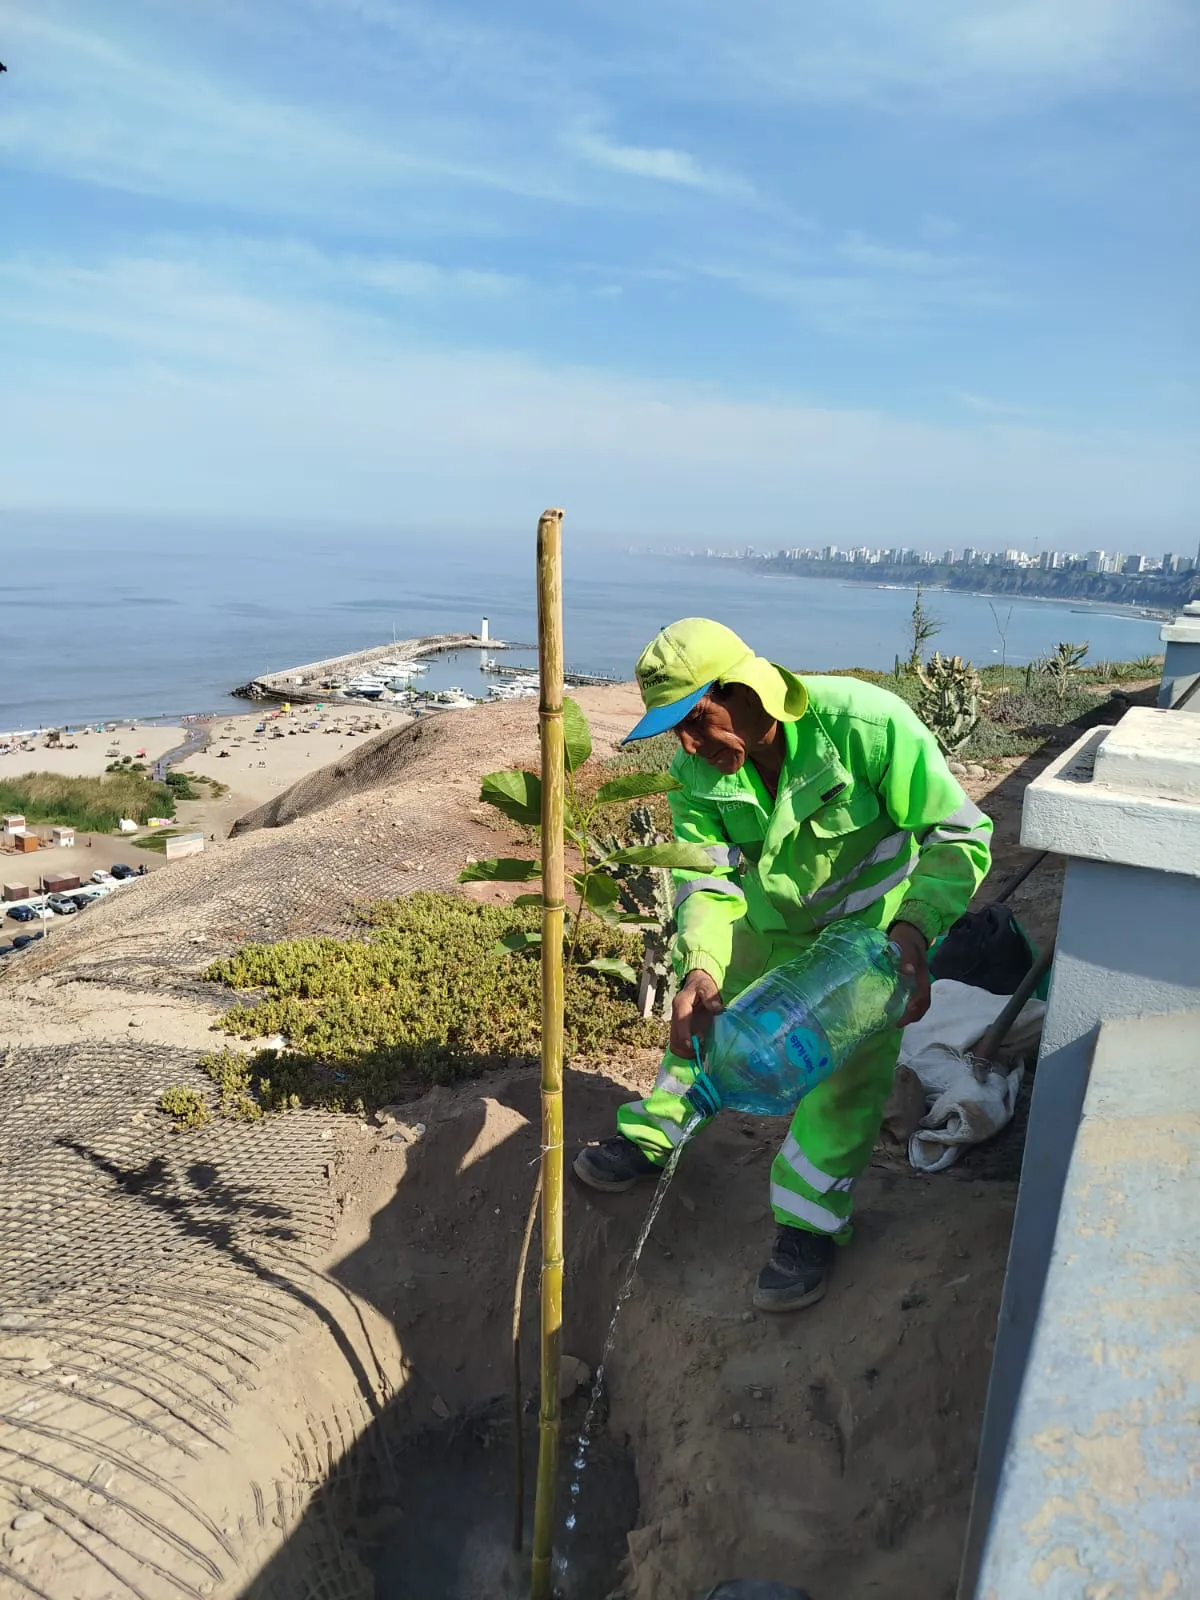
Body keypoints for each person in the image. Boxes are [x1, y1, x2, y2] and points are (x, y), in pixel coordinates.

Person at [574, 619, 992, 1311]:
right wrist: (702, 966)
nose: (688, 746)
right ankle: (655, 1138)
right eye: (675, 731)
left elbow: (958, 832)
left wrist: (915, 932)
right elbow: (706, 878)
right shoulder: (695, 773)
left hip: (868, 950)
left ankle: (808, 1226)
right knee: (703, 1029)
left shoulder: (867, 725)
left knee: (845, 1086)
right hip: (764, 931)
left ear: (745, 691)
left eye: (697, 720)